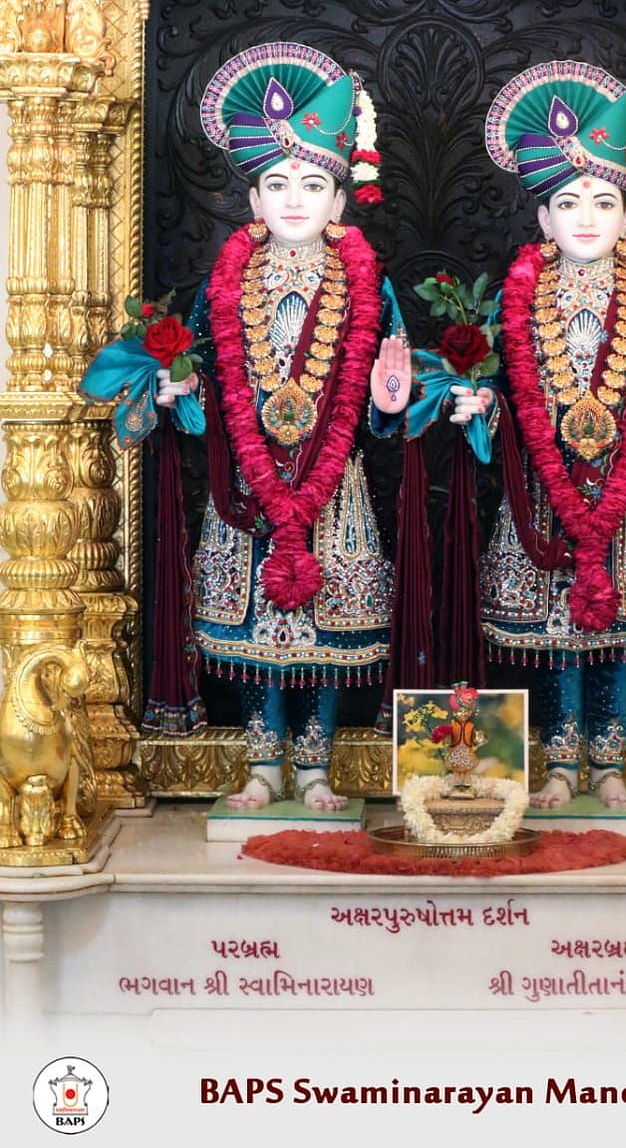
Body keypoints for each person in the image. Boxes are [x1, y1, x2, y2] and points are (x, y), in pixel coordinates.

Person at [156, 42, 411, 811]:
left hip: (334, 483)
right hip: (248, 481)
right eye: (276, 183)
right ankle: (263, 762)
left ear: (340, 200)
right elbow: (200, 373)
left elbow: (389, 379)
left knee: (325, 631)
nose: (294, 198)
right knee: (257, 628)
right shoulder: (226, 281)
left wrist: (388, 404)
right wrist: (180, 392)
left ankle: (316, 765)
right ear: (253, 201)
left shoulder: (367, 280)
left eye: (312, 183)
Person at [452, 59, 626, 809]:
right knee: (555, 633)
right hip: (543, 493)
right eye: (568, 201)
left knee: (621, 630)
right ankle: (559, 762)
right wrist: (477, 407)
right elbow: (497, 389)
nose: (587, 216)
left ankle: (610, 763)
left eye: (604, 200)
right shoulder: (518, 296)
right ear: (543, 219)